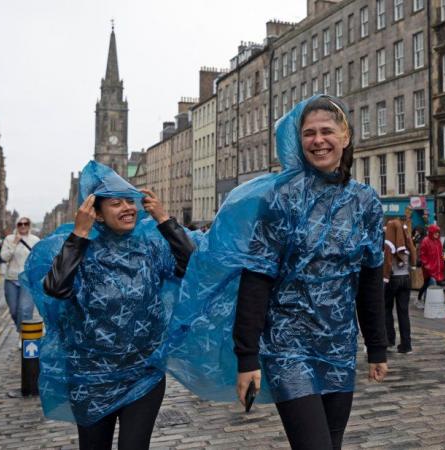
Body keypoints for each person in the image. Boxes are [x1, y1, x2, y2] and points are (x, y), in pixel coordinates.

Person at [161, 95, 387, 450]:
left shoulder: (366, 201)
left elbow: (371, 276)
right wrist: (247, 356)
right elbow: (257, 276)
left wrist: (377, 346)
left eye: (327, 131)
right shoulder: (281, 197)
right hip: (287, 346)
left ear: (345, 136)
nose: (318, 140)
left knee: (332, 442)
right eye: (309, 133)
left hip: (339, 344)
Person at [28, 161, 196, 449]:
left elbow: (195, 267)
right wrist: (79, 235)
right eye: (116, 203)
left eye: (130, 201)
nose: (127, 208)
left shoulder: (152, 247)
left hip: (143, 374)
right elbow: (55, 288)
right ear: (98, 214)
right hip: (90, 376)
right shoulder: (77, 248)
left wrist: (164, 219)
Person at [0, 217, 40, 335]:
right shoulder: (9, 239)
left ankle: (23, 336)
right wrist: (14, 244)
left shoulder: (35, 240)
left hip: (27, 279)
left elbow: (39, 259)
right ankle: (21, 330)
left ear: (29, 225)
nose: (23, 226)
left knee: (25, 309)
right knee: (13, 310)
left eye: (26, 223)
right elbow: (4, 257)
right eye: (20, 224)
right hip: (11, 279)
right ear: (16, 225)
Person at [383, 218, 417, 354]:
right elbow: (414, 255)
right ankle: (406, 345)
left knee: (386, 309)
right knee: (403, 313)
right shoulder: (407, 242)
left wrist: (384, 277)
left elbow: (387, 262)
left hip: (393, 280)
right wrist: (412, 267)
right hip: (406, 279)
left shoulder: (390, 242)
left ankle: (389, 340)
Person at [417, 224, 445, 306]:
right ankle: (426, 301)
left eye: (438, 232)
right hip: (429, 269)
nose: (437, 234)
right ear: (431, 232)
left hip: (437, 268)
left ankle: (434, 302)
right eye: (435, 232)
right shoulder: (426, 241)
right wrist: (427, 265)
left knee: (431, 285)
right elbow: (422, 255)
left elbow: (440, 255)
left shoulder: (438, 241)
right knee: (429, 284)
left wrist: (441, 264)